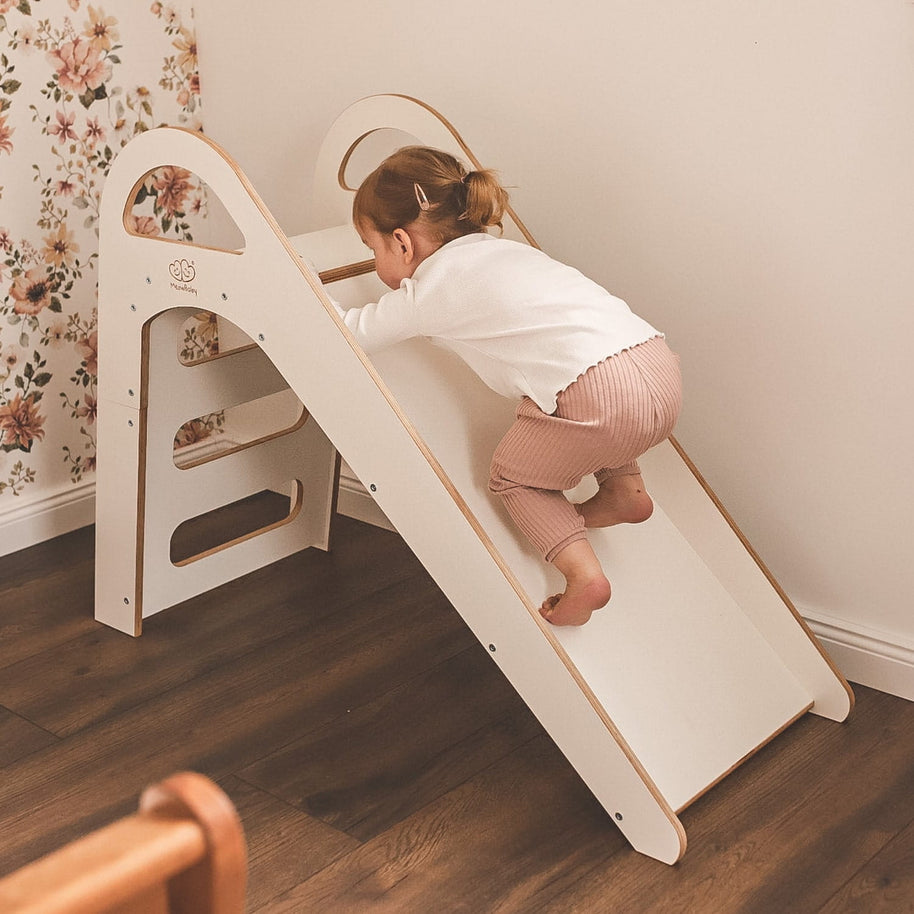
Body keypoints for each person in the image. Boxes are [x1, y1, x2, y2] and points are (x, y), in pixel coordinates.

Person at [332, 146, 682, 626]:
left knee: (515, 475)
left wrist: (294, 294)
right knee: (593, 408)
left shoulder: (431, 289)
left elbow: (351, 333)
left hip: (596, 393)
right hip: (655, 366)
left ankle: (583, 575)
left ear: (402, 243)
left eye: (372, 250)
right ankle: (625, 488)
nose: (375, 262)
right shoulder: (508, 253)